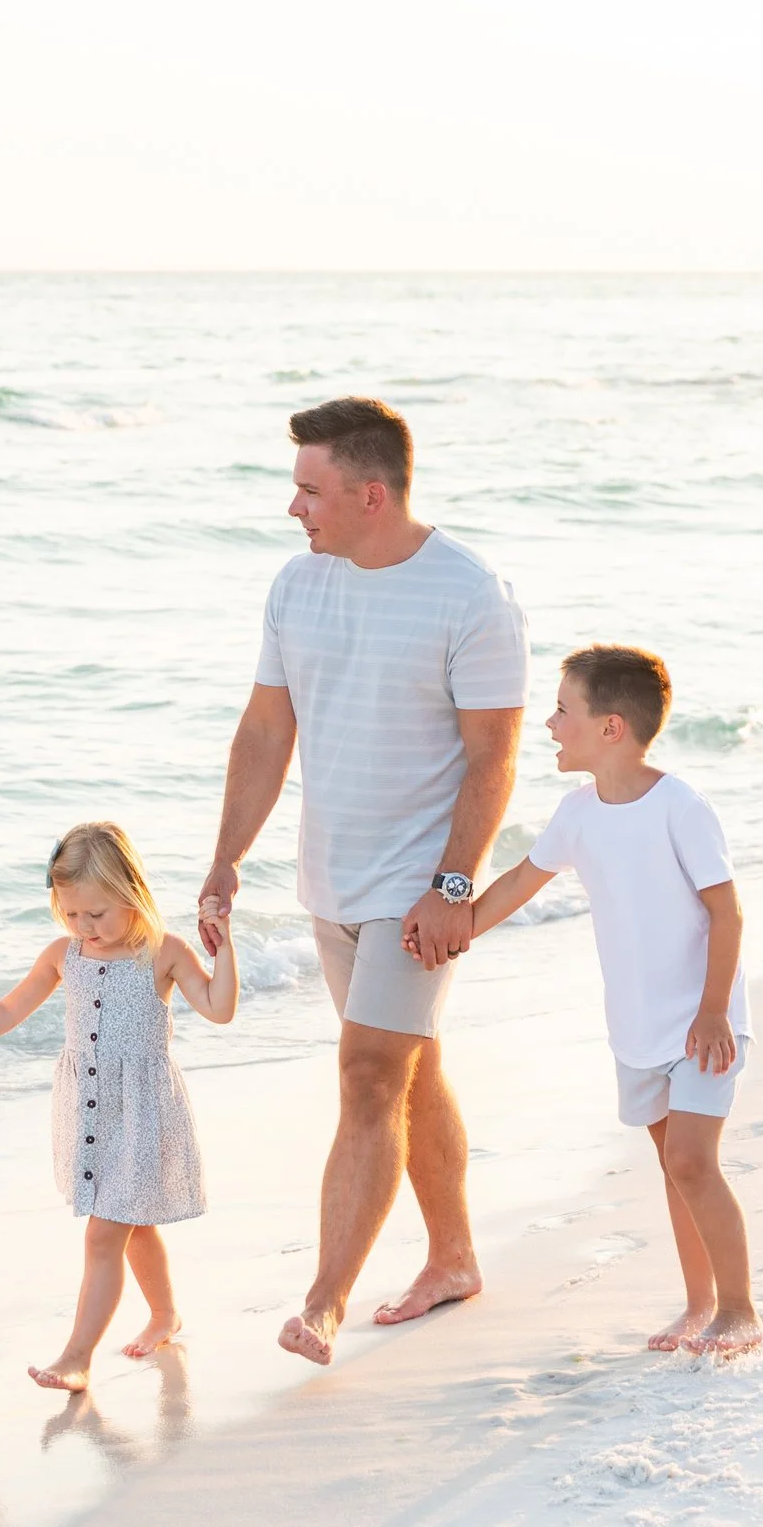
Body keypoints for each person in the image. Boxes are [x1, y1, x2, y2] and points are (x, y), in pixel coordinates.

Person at [199, 397, 528, 1367]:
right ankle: (455, 1255)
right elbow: (265, 730)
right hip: (329, 878)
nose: (292, 506)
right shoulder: (299, 586)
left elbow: (493, 757)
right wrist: (225, 859)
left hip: (416, 888)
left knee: (368, 1073)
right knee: (407, 1069)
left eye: (309, 488)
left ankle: (324, 1299)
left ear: (369, 493)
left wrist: (454, 885)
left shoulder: (471, 596)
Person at [467, 645, 762, 1356]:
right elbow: (515, 884)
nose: (549, 722)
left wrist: (714, 1008)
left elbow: (728, 913)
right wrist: (455, 929)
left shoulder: (679, 807)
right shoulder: (576, 814)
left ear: (611, 729)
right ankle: (698, 1304)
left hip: (703, 1021)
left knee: (693, 1160)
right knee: (673, 1166)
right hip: (636, 1024)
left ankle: (741, 1308)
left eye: (564, 710)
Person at [0, 822, 237, 1392]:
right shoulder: (65, 956)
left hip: (142, 1116)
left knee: (105, 1235)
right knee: (133, 1225)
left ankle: (78, 1356)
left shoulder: (164, 953)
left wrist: (224, 944)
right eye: (72, 913)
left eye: (98, 914)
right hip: (89, 1116)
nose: (85, 927)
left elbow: (219, 1008)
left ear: (133, 894)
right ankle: (164, 1314)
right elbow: (11, 1008)